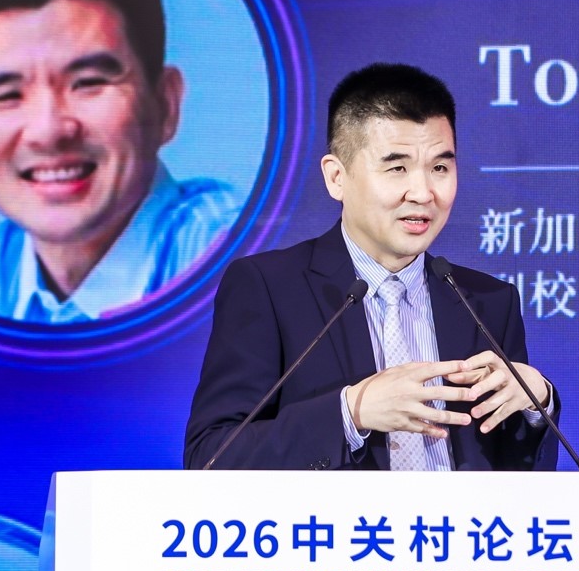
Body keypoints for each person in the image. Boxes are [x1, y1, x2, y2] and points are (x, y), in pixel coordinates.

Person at [184, 63, 559, 470]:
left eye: (440, 168)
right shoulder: (269, 288)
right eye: (397, 168)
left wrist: (537, 403)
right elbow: (211, 458)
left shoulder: (488, 302)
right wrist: (351, 413)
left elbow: (518, 474)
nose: (423, 193)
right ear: (336, 177)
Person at [0, 0, 237, 323]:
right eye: (7, 95)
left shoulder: (236, 258)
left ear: (164, 105)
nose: (49, 130)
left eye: (88, 83)